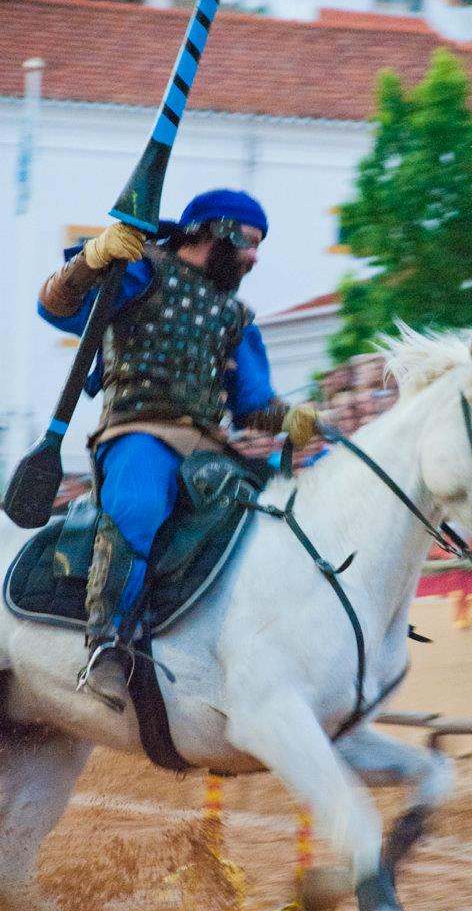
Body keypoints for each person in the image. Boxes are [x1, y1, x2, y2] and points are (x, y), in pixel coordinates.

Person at [38, 188, 317, 712]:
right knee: (139, 507)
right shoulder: (140, 272)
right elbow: (57, 308)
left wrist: (293, 418)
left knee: (276, 517)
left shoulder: (234, 316)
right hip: (138, 432)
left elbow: (251, 401)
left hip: (211, 448)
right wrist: (93, 258)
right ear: (217, 232)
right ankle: (105, 643)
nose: (256, 257)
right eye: (251, 243)